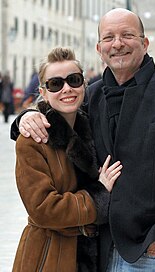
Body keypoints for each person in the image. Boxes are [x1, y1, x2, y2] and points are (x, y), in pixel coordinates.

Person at [10, 8, 155, 272]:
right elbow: (58, 110)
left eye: (127, 35)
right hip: (97, 251)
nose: (117, 44)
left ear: (144, 43)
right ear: (99, 48)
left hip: (151, 255)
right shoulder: (91, 97)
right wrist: (25, 117)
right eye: (109, 37)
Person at [12, 46, 122, 272]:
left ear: (84, 84)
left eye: (73, 80)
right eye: (55, 84)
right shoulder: (33, 140)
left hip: (91, 254)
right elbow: (44, 209)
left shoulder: (91, 125)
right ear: (43, 92)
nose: (66, 89)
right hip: (50, 255)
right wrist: (98, 195)